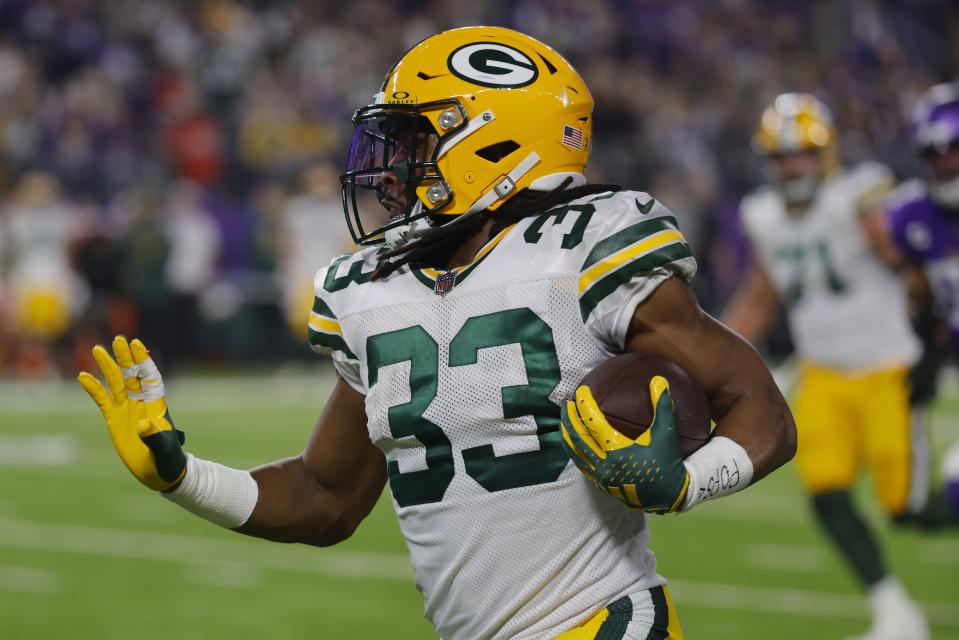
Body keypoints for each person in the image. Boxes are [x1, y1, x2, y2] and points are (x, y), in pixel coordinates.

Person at [78, 27, 795, 640]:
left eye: (417, 136)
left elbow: (758, 406)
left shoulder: (584, 248)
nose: (391, 164)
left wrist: (686, 481)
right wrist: (182, 477)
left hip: (602, 620)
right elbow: (324, 497)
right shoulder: (373, 288)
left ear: (496, 141)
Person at [723, 93, 930, 640]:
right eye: (782, 156)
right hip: (822, 374)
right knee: (826, 492)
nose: (793, 166)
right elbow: (761, 296)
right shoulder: (762, 214)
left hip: (889, 368)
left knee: (906, 506)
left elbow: (911, 263)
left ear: (827, 154)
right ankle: (894, 609)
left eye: (803, 154)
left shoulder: (858, 197)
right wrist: (711, 354)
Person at [883, 81, 959, 525]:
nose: (946, 162)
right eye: (936, 152)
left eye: (954, 149)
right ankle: (911, 486)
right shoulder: (909, 211)